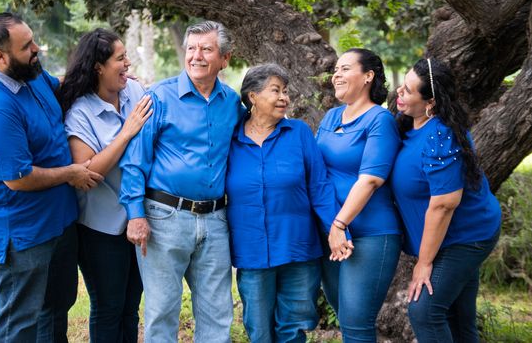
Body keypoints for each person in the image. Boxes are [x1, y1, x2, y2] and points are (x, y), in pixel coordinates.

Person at [0, 12, 103, 342]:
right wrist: (71, 173)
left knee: (57, 306)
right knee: (21, 319)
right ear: (1, 57)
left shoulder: (31, 74)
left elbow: (65, 88)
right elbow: (18, 178)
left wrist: (112, 77)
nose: (37, 48)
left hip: (58, 218)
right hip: (21, 231)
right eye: (27, 46)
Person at [118, 20, 244, 342]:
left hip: (216, 220)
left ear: (224, 59)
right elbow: (135, 160)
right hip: (164, 218)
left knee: (218, 313)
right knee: (161, 311)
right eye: (191, 48)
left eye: (206, 49)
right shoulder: (159, 97)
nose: (196, 56)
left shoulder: (232, 103)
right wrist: (135, 214)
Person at [390, 58, 501, 342]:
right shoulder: (409, 124)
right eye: (402, 85)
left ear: (431, 103)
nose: (399, 92)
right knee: (458, 318)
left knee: (424, 311)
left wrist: (424, 263)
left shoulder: (440, 135)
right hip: (446, 238)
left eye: (409, 91)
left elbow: (444, 203)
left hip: (466, 236)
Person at [226, 63, 337, 342]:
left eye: (286, 91)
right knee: (259, 329)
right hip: (252, 250)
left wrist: (337, 228)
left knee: (294, 327)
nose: (284, 98)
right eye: (275, 90)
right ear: (252, 96)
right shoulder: (231, 138)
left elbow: (320, 186)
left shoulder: (298, 133)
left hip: (298, 247)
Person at [57, 28, 152, 342]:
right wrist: (126, 132)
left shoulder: (134, 93)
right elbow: (88, 174)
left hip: (138, 219)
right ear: (98, 66)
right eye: (120, 58)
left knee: (130, 308)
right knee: (108, 307)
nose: (127, 63)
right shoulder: (80, 113)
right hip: (100, 228)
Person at [316, 48, 403, 342]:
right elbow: (317, 171)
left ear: (368, 76)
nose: (336, 75)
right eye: (336, 70)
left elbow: (370, 180)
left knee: (355, 320)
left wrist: (340, 224)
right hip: (331, 233)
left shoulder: (380, 120)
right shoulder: (330, 117)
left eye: (345, 69)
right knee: (344, 314)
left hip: (370, 234)